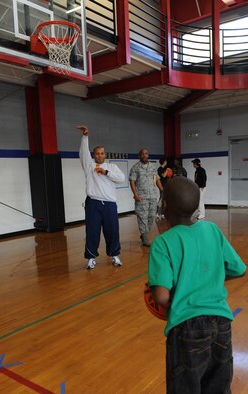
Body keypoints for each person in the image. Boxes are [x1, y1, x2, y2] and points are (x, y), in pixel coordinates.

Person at [147, 176, 246, 394]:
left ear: (165, 207)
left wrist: (183, 291)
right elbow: (239, 269)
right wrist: (207, 280)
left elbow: (161, 297)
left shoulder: (163, 243)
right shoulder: (212, 230)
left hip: (187, 328)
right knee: (219, 386)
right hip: (221, 323)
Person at [77, 125, 125, 269]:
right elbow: (83, 153)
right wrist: (85, 137)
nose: (99, 155)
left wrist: (105, 172)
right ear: (94, 155)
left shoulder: (112, 167)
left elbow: (121, 178)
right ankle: (91, 258)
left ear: (105, 155)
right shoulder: (89, 166)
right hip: (93, 204)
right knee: (92, 231)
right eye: (97, 153)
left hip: (109, 205)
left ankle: (115, 255)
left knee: (112, 231)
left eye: (102, 153)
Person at [129, 149, 163, 247]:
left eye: (146, 153)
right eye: (142, 154)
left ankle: (144, 233)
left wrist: (162, 190)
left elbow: (157, 179)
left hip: (152, 196)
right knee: (142, 216)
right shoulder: (135, 168)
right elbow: (132, 181)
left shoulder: (152, 167)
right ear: (139, 156)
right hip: (141, 196)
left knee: (151, 216)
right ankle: (144, 236)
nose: (144, 155)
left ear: (148, 155)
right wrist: (135, 194)